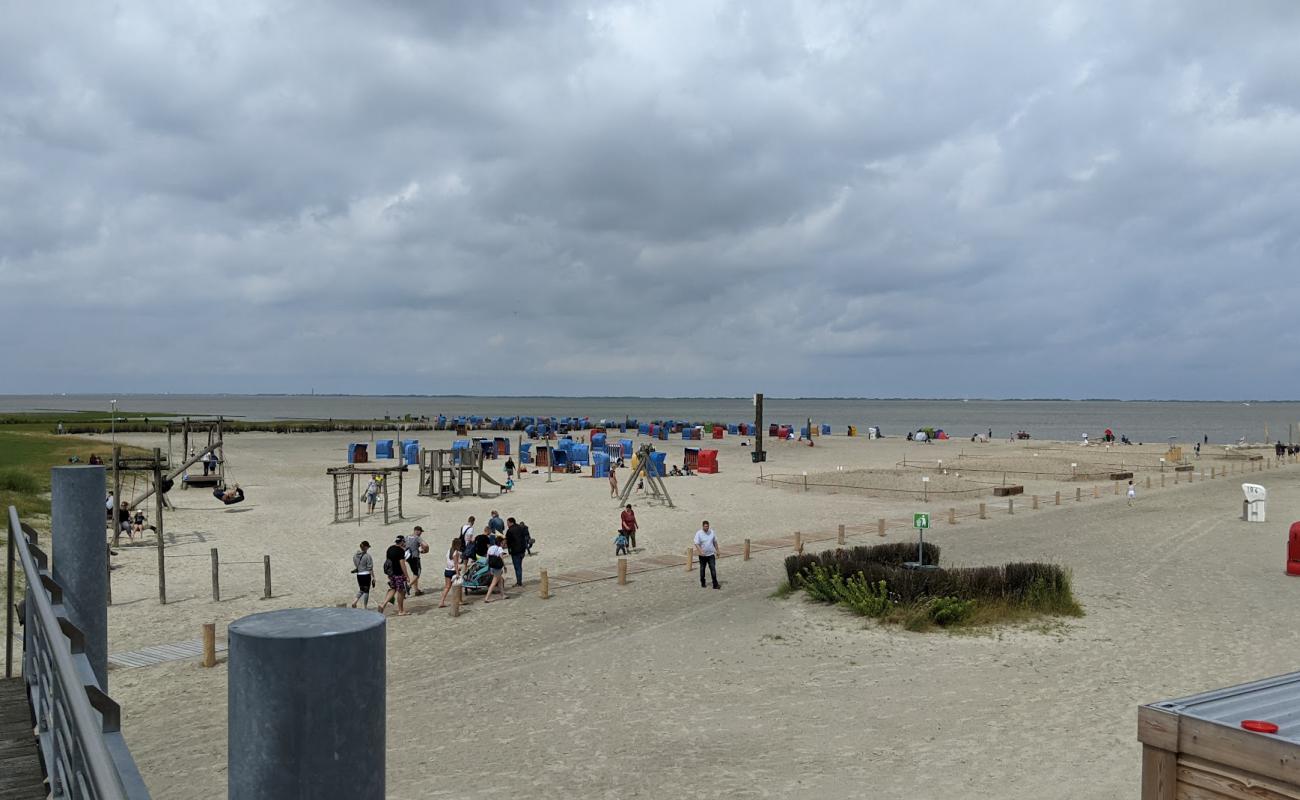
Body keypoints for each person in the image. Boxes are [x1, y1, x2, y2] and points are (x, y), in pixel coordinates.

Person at [378, 535, 413, 616]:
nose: (405, 543)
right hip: (399, 574)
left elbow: (388, 562)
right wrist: (407, 575)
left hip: (391, 574)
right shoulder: (400, 551)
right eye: (404, 542)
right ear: (401, 542)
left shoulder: (390, 548)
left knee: (393, 589)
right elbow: (402, 564)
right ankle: (401, 611)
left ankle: (383, 604)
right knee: (401, 591)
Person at [694, 520, 720, 590]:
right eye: (705, 526)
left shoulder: (712, 532)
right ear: (703, 526)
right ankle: (703, 582)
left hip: (711, 554)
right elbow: (696, 543)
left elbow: (715, 542)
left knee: (713, 569)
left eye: (707, 526)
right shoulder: (699, 533)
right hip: (703, 556)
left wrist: (717, 551)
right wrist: (700, 551)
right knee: (702, 569)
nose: (706, 528)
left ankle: (715, 584)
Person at [483, 536, 509, 603]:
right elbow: (501, 558)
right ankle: (487, 598)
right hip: (497, 567)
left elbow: (487, 557)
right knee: (494, 583)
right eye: (503, 542)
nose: (503, 544)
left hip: (492, 566)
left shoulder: (491, 547)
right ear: (500, 542)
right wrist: (505, 566)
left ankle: (503, 595)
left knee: (500, 580)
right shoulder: (500, 549)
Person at [438, 537, 462, 608]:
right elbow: (455, 564)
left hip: (447, 570)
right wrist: (457, 573)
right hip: (453, 571)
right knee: (459, 586)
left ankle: (441, 601)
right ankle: (460, 600)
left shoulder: (449, 550)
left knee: (447, 587)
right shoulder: (456, 553)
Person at [405, 526, 429, 596]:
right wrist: (425, 550)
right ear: (417, 531)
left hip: (408, 557)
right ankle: (408, 586)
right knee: (417, 573)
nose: (421, 533)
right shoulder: (417, 538)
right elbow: (426, 545)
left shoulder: (407, 537)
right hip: (415, 558)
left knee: (414, 573)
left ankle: (416, 591)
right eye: (421, 531)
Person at [350, 541, 375, 608]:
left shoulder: (355, 556)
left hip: (359, 575)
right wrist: (373, 577)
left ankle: (354, 601)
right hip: (366, 575)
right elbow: (370, 568)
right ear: (366, 547)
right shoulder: (367, 556)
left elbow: (356, 565)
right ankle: (365, 607)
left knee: (361, 589)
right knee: (366, 591)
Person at [505, 517, 528, 586]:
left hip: (515, 551)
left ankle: (519, 582)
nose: (507, 524)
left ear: (511, 522)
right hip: (522, 550)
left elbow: (508, 542)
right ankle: (519, 581)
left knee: (517, 567)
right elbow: (524, 538)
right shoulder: (520, 528)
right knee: (519, 566)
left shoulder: (510, 530)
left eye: (508, 523)